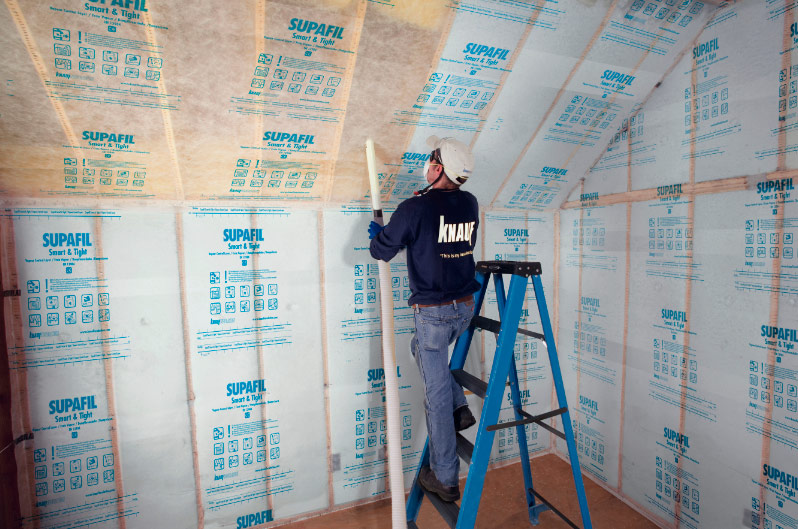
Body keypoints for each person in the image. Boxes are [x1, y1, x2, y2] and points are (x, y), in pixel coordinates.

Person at [368, 135, 480, 502]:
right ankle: (460, 407)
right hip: (465, 308)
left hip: (433, 313)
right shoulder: (470, 203)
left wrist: (382, 236)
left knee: (434, 396)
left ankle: (446, 478)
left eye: (432, 159)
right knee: (423, 350)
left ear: (439, 168)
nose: (427, 163)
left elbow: (380, 250)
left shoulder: (413, 209)